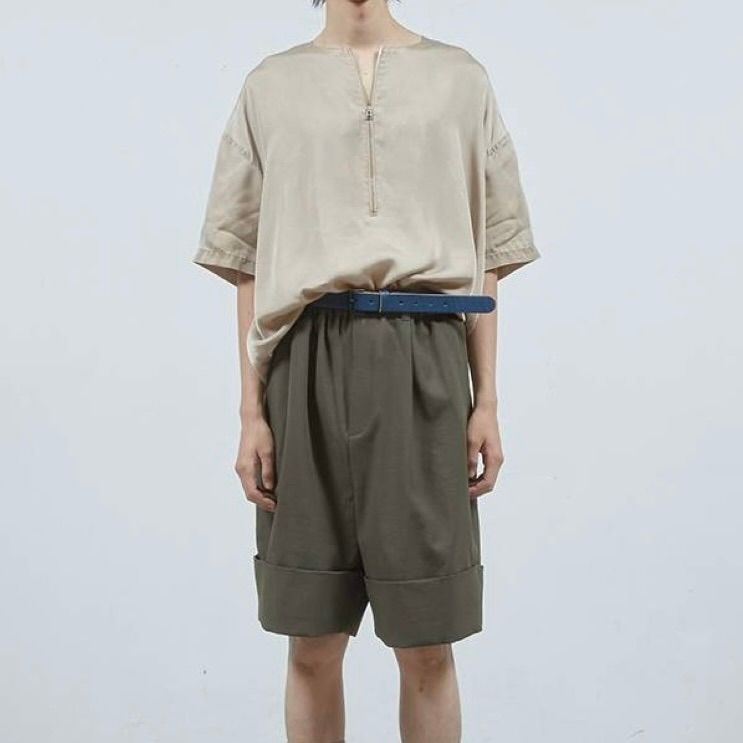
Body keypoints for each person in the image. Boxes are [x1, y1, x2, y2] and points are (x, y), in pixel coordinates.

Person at [191, 1, 540, 741]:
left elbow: (488, 250)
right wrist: (251, 411)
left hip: (426, 357)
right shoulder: (269, 86)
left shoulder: (460, 79)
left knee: (426, 641)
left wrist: (486, 399)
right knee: (311, 638)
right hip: (301, 360)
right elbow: (246, 260)